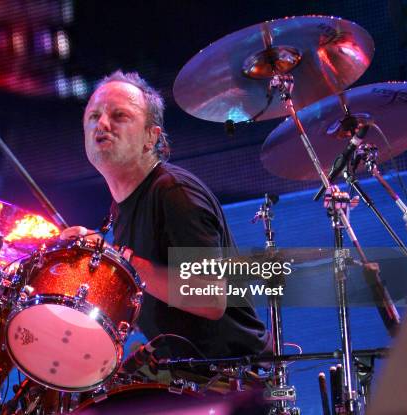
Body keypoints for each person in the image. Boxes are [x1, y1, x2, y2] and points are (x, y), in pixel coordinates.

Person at [61, 70, 270, 360]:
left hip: (230, 379)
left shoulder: (174, 193)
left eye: (119, 116)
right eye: (93, 117)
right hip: (184, 373)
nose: (103, 124)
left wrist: (117, 259)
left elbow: (210, 298)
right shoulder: (122, 206)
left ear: (151, 136)